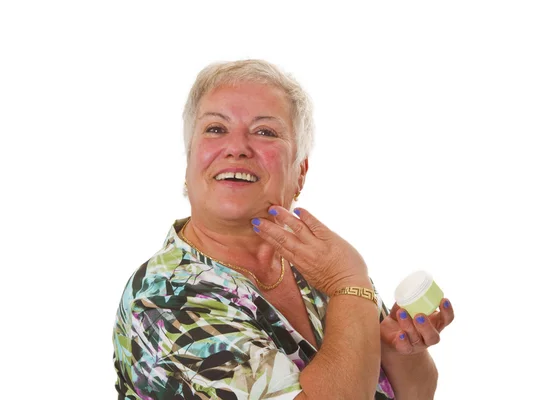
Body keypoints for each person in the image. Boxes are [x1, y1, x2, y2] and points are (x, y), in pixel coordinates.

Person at [113, 59, 455, 400]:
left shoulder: (313, 260)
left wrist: (392, 350)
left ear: (299, 173)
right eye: (216, 129)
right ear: (190, 161)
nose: (237, 148)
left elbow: (418, 393)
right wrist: (352, 285)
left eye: (265, 132)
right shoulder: (164, 297)